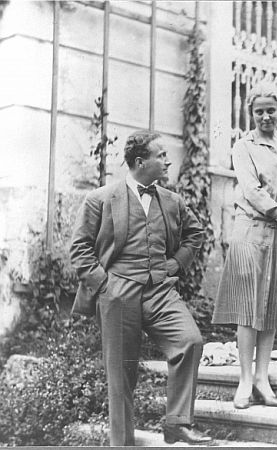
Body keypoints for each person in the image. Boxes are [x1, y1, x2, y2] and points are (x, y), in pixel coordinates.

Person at [70, 131, 211, 446]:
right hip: (118, 292)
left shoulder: (172, 201)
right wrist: (104, 284)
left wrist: (175, 265)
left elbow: (195, 233)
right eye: (161, 155)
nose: (167, 160)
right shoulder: (101, 198)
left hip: (160, 290)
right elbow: (79, 248)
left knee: (189, 342)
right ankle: (122, 443)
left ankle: (177, 424)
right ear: (139, 161)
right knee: (121, 372)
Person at [213, 82, 277, 408]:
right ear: (250, 113)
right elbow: (252, 191)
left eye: (271, 110)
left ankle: (263, 379)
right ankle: (244, 381)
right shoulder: (243, 146)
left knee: (271, 308)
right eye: (259, 111)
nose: (266, 116)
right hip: (251, 231)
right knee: (249, 308)